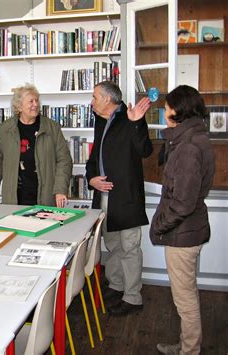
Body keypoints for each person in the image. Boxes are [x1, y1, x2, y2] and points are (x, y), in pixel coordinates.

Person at [150, 86, 215, 355]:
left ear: (178, 111)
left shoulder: (188, 147)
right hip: (189, 230)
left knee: (185, 299)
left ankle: (189, 350)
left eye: (166, 107)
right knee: (186, 294)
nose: (164, 112)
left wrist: (158, 227)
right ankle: (186, 344)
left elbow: (183, 203)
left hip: (182, 234)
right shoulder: (193, 137)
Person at [85, 80, 153, 315]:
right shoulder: (100, 120)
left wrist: (137, 123)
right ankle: (116, 285)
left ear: (107, 99)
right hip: (104, 196)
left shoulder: (129, 117)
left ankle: (133, 297)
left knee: (130, 247)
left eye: (94, 97)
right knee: (112, 245)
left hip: (126, 197)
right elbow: (94, 156)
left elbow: (145, 150)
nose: (91, 101)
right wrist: (91, 177)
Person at [0, 83, 72, 208]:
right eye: (31, 101)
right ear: (19, 107)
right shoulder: (6, 129)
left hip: (44, 194)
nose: (36, 104)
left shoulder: (52, 128)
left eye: (37, 100)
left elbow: (64, 161)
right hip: (14, 196)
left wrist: (60, 190)